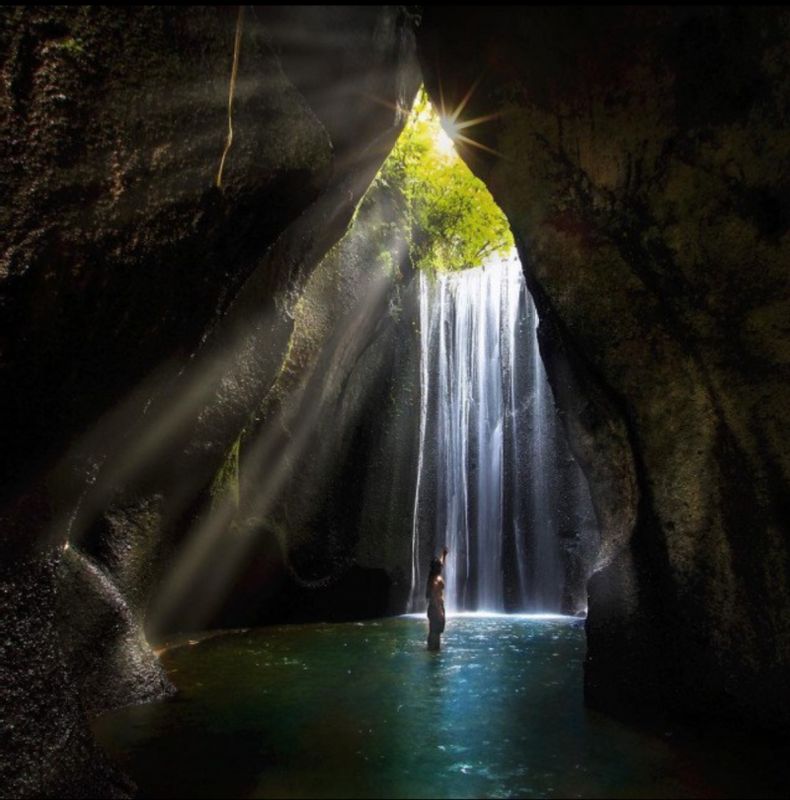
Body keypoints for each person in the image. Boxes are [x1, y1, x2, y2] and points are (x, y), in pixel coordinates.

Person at [426, 546, 448, 651]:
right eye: (439, 567)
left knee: (434, 632)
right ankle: (433, 652)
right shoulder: (435, 580)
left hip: (435, 608)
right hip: (436, 608)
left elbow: (441, 562)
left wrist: (443, 554)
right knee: (435, 632)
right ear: (436, 568)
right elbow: (433, 596)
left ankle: (432, 650)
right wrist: (440, 612)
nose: (441, 567)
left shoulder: (433, 576)